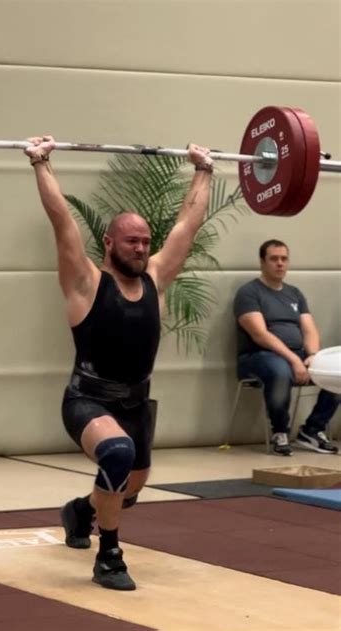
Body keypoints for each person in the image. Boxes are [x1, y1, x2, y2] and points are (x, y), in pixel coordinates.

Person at [25, 136, 213, 590]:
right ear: (109, 242)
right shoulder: (86, 283)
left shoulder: (156, 279)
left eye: (146, 242)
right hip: (87, 400)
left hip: (135, 403)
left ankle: (82, 511)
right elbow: (62, 223)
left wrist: (204, 171)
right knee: (117, 454)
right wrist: (41, 163)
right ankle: (109, 554)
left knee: (130, 484)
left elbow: (188, 224)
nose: (141, 248)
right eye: (132, 241)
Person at [233, 239, 340, 457]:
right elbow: (260, 335)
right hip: (258, 356)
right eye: (274, 259)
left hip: (298, 355)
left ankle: (312, 430)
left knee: (335, 372)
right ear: (262, 262)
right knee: (280, 371)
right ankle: (279, 432)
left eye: (284, 259)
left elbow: (309, 329)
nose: (280, 264)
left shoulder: (295, 293)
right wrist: (293, 359)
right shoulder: (249, 293)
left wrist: (312, 356)